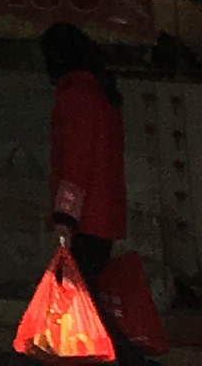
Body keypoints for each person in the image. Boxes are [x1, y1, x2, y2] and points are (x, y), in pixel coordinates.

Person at [42, 25, 152, 354]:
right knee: (83, 301)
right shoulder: (98, 94)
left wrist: (65, 217)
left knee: (77, 302)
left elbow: (74, 162)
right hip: (101, 216)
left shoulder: (76, 97)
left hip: (85, 219)